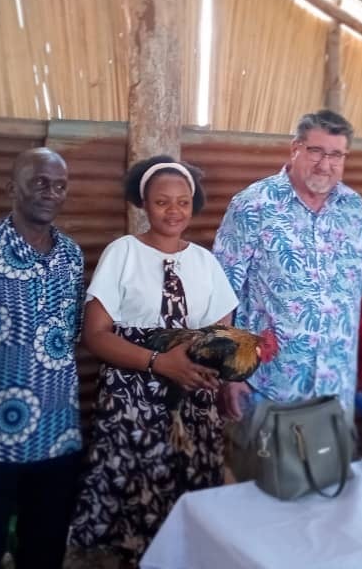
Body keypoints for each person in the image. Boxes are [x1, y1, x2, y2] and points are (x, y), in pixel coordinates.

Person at [71, 155, 238, 564]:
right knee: (137, 500)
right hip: (132, 406)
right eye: (162, 202)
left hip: (191, 405)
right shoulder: (123, 253)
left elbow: (222, 335)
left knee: (190, 500)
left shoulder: (205, 262)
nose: (173, 211)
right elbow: (95, 335)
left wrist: (213, 368)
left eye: (183, 201)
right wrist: (159, 362)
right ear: (143, 203)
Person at [0, 148, 85, 569]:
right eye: (40, 182)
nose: (51, 192)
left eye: (60, 185)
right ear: (12, 188)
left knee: (44, 554)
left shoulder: (72, 256)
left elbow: (71, 334)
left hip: (57, 436)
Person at [213, 110, 362, 423]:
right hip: (268, 384)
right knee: (265, 457)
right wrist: (229, 373)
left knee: (330, 457)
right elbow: (221, 291)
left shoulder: (355, 210)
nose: (325, 165)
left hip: (336, 385)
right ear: (295, 148)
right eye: (316, 151)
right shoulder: (253, 204)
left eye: (336, 155)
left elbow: (355, 298)